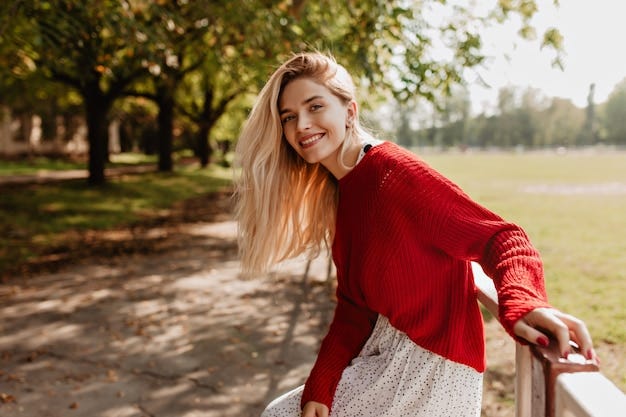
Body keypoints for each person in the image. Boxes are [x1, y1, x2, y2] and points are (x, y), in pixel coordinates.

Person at [234, 51, 597, 417]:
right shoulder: (346, 191)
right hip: (385, 355)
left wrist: (524, 302)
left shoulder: (392, 174)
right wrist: (321, 386)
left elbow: (503, 238)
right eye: (289, 117)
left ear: (349, 111)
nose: (302, 125)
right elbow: (353, 308)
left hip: (434, 367)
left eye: (315, 107)